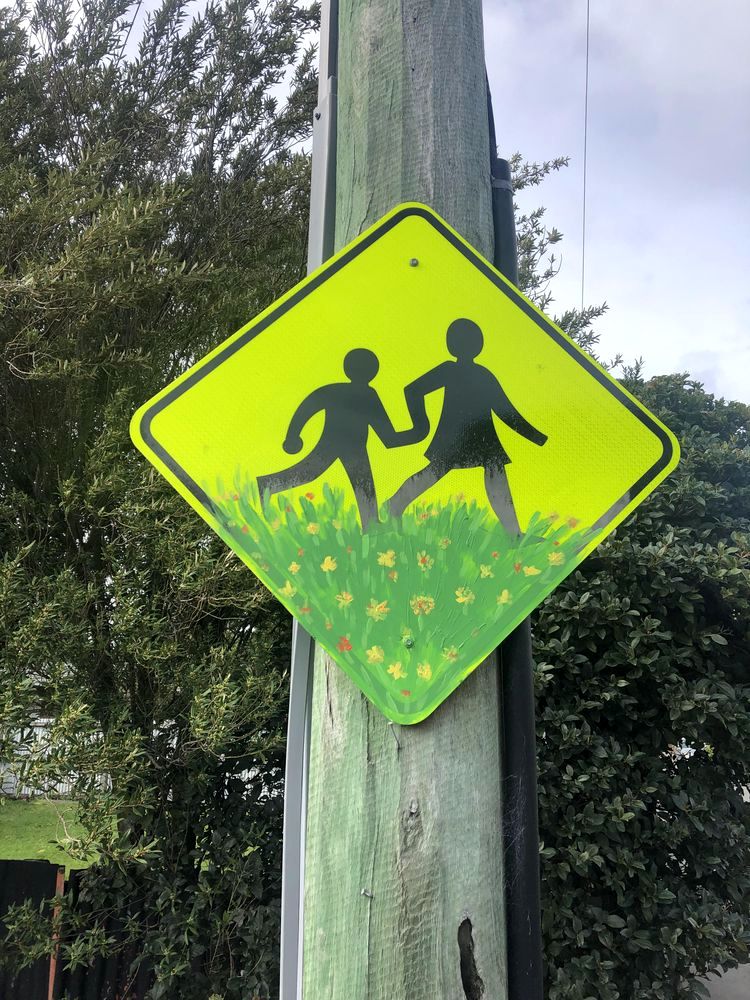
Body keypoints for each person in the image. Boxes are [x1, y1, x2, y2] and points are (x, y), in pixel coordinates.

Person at [387, 318, 547, 534]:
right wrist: (421, 424)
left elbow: (505, 411)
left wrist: (538, 437)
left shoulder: (482, 375)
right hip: (454, 436)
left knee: (493, 470)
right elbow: (413, 390)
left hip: (482, 436)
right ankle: (394, 505)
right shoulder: (456, 371)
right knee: (436, 471)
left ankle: (514, 533)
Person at [257, 348, 420, 530]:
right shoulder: (364, 394)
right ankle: (267, 484)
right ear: (373, 371)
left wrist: (293, 435)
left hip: (353, 448)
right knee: (320, 475)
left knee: (362, 484)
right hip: (336, 445)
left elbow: (308, 406)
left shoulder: (343, 391)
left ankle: (371, 524)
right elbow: (388, 438)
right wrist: (418, 431)